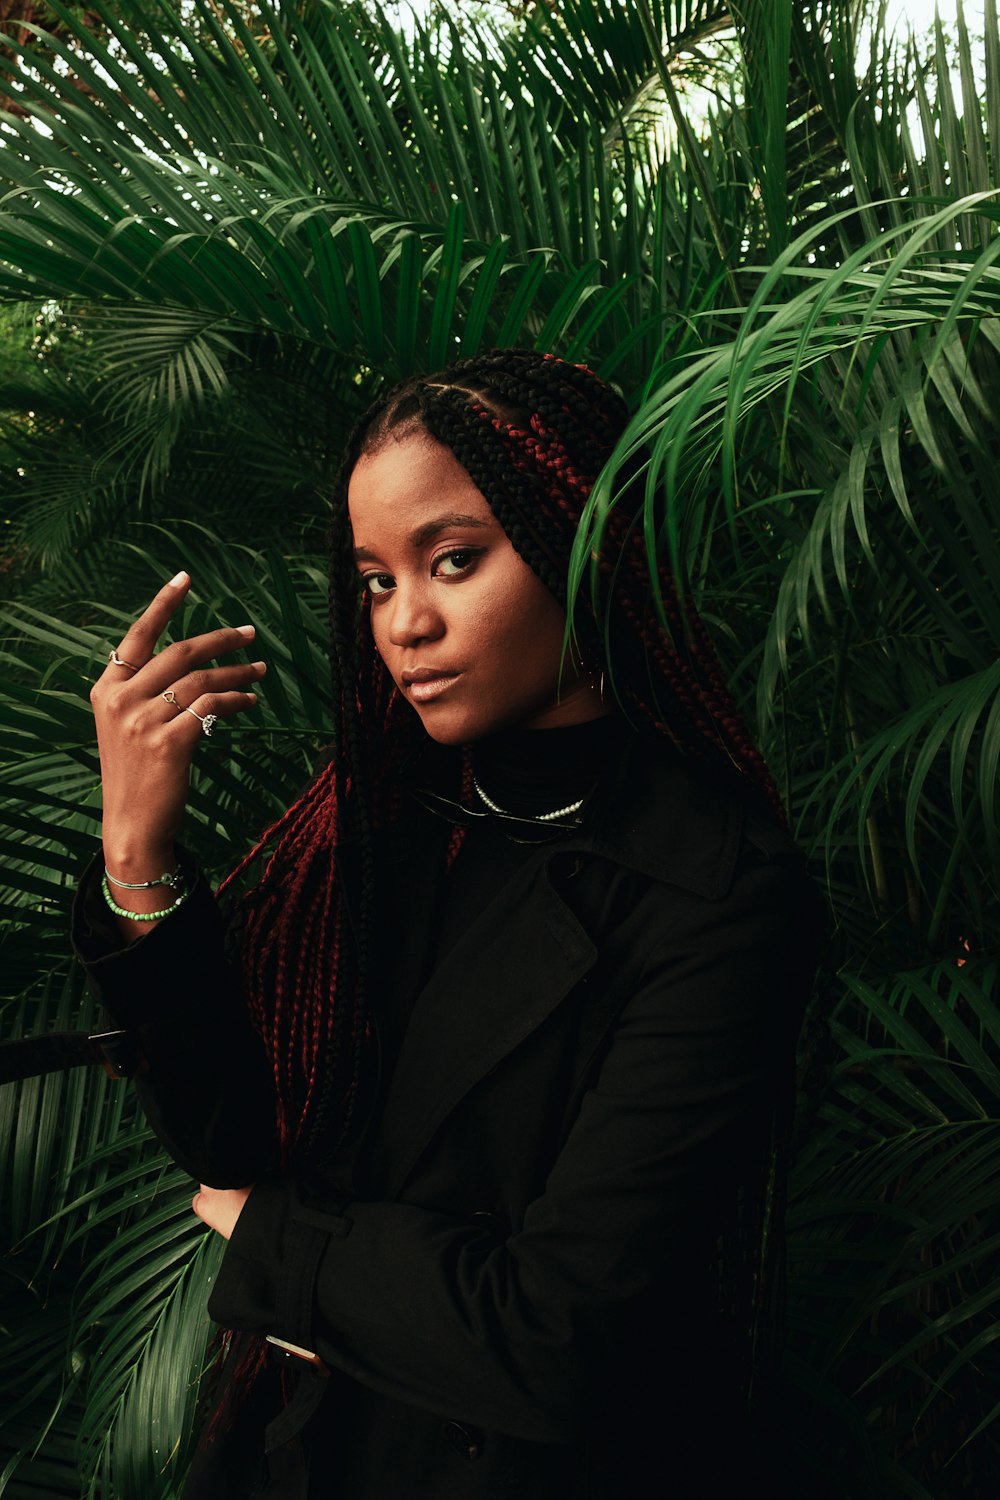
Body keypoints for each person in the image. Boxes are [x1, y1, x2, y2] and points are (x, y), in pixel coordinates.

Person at [73, 349, 824, 1499]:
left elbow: (555, 1335)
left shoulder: (717, 891)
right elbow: (233, 1139)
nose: (403, 623)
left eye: (454, 561)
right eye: (375, 580)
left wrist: (280, 1246)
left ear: (582, 541)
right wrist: (137, 855)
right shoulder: (382, 829)